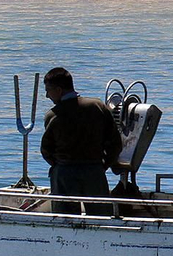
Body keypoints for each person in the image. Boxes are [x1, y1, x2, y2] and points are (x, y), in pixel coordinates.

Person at [39, 67, 122, 214]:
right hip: (94, 171)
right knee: (101, 217)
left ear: (58, 90)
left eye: (48, 90)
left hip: (64, 173)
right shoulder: (98, 107)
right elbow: (115, 144)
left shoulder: (53, 116)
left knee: (65, 220)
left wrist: (60, 166)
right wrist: (103, 165)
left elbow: (46, 150)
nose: (46, 95)